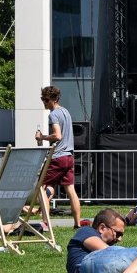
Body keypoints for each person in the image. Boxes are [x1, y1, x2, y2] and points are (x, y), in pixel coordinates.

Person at [35, 85, 82, 228]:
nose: (44, 102)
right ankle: (77, 224)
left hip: (58, 157)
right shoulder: (66, 112)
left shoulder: (53, 114)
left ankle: (45, 223)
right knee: (70, 190)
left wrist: (42, 137)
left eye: (46, 99)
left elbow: (57, 135)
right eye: (42, 99)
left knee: (40, 188)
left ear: (54, 99)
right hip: (69, 156)